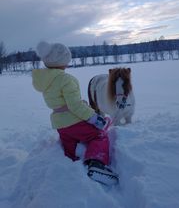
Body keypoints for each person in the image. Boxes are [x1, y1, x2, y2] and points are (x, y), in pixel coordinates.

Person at [32, 41, 118, 185]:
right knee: (99, 136)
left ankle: (71, 169)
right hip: (73, 121)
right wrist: (93, 118)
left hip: (60, 124)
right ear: (60, 61)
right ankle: (96, 164)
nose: (67, 63)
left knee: (70, 146)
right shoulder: (66, 79)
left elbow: (62, 103)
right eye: (66, 60)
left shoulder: (46, 80)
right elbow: (75, 105)